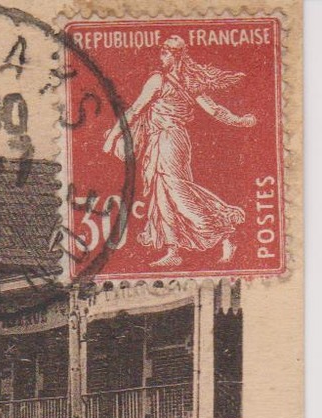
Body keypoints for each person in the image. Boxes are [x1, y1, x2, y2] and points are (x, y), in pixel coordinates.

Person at [103, 36, 256, 267]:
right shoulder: (180, 81)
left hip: (170, 140)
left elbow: (135, 110)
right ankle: (173, 249)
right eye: (161, 53)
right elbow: (214, 110)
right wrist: (240, 121)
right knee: (161, 193)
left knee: (177, 192)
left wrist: (113, 135)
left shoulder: (162, 80)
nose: (161, 58)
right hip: (163, 140)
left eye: (165, 54)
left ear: (176, 55)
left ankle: (224, 233)